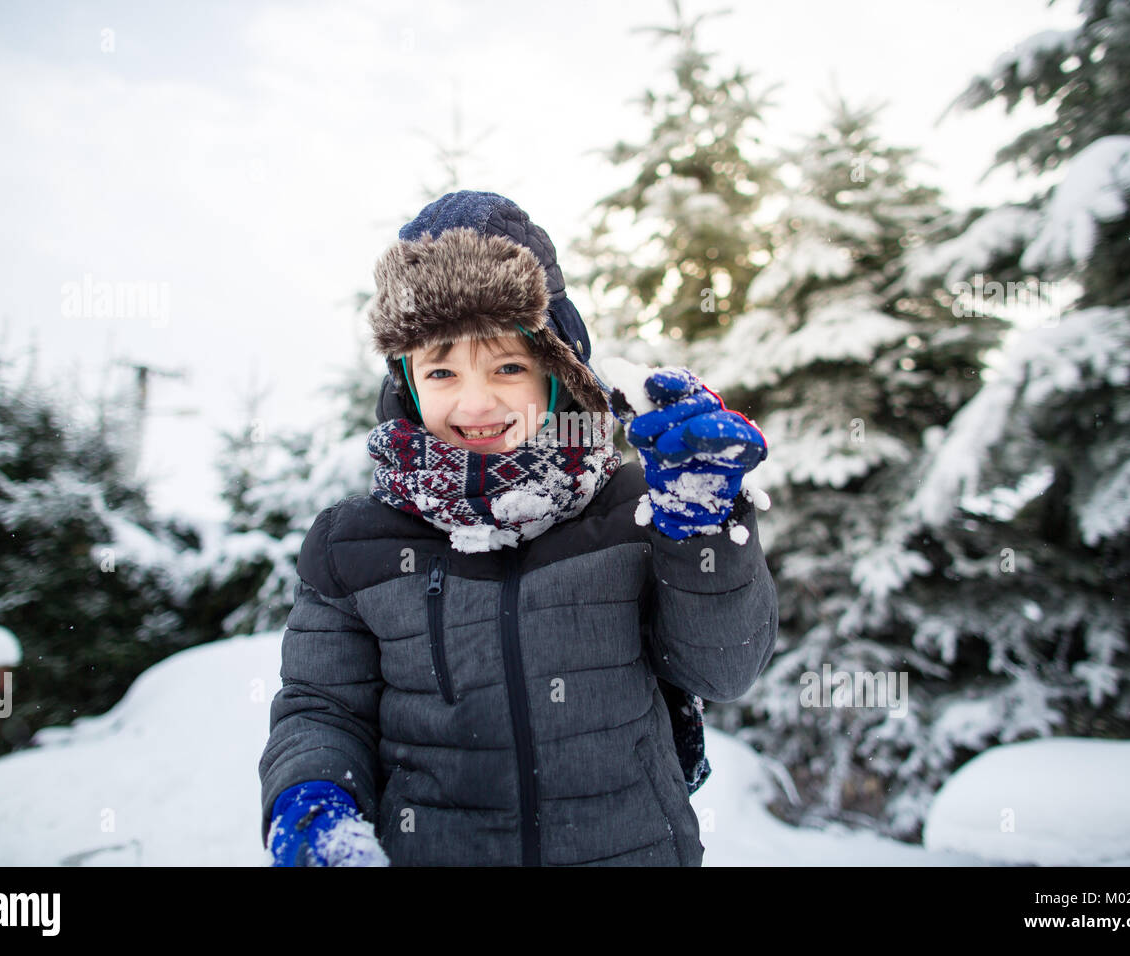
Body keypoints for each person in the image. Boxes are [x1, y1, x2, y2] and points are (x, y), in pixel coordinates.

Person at [258, 189, 778, 866]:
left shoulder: (634, 509)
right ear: (408, 384)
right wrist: (314, 801)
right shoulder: (353, 545)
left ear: (558, 374)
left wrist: (702, 533)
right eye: (441, 370)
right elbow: (322, 708)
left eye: (507, 366)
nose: (475, 402)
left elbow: (724, 670)